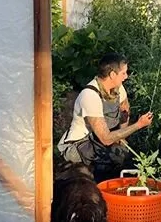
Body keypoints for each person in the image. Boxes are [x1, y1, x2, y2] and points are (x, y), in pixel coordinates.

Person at [57, 52, 153, 181]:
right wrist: (138, 125)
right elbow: (106, 139)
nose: (126, 76)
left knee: (123, 154)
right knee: (112, 158)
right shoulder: (90, 96)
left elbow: (125, 108)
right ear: (112, 74)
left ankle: (110, 185)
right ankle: (100, 187)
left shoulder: (118, 88)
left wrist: (122, 136)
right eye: (123, 73)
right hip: (79, 144)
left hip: (99, 139)